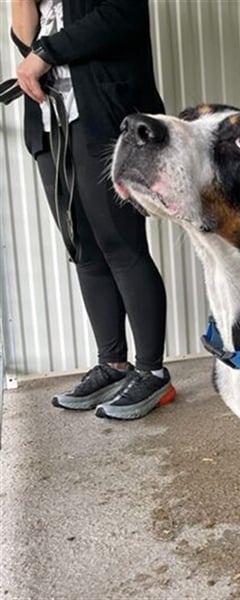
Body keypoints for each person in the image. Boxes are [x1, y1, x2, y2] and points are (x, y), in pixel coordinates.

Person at [10, 0, 176, 420]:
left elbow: (126, 12)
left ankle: (152, 373)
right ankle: (113, 364)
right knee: (84, 249)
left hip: (102, 115)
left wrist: (45, 54)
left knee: (121, 245)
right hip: (50, 122)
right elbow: (25, 43)